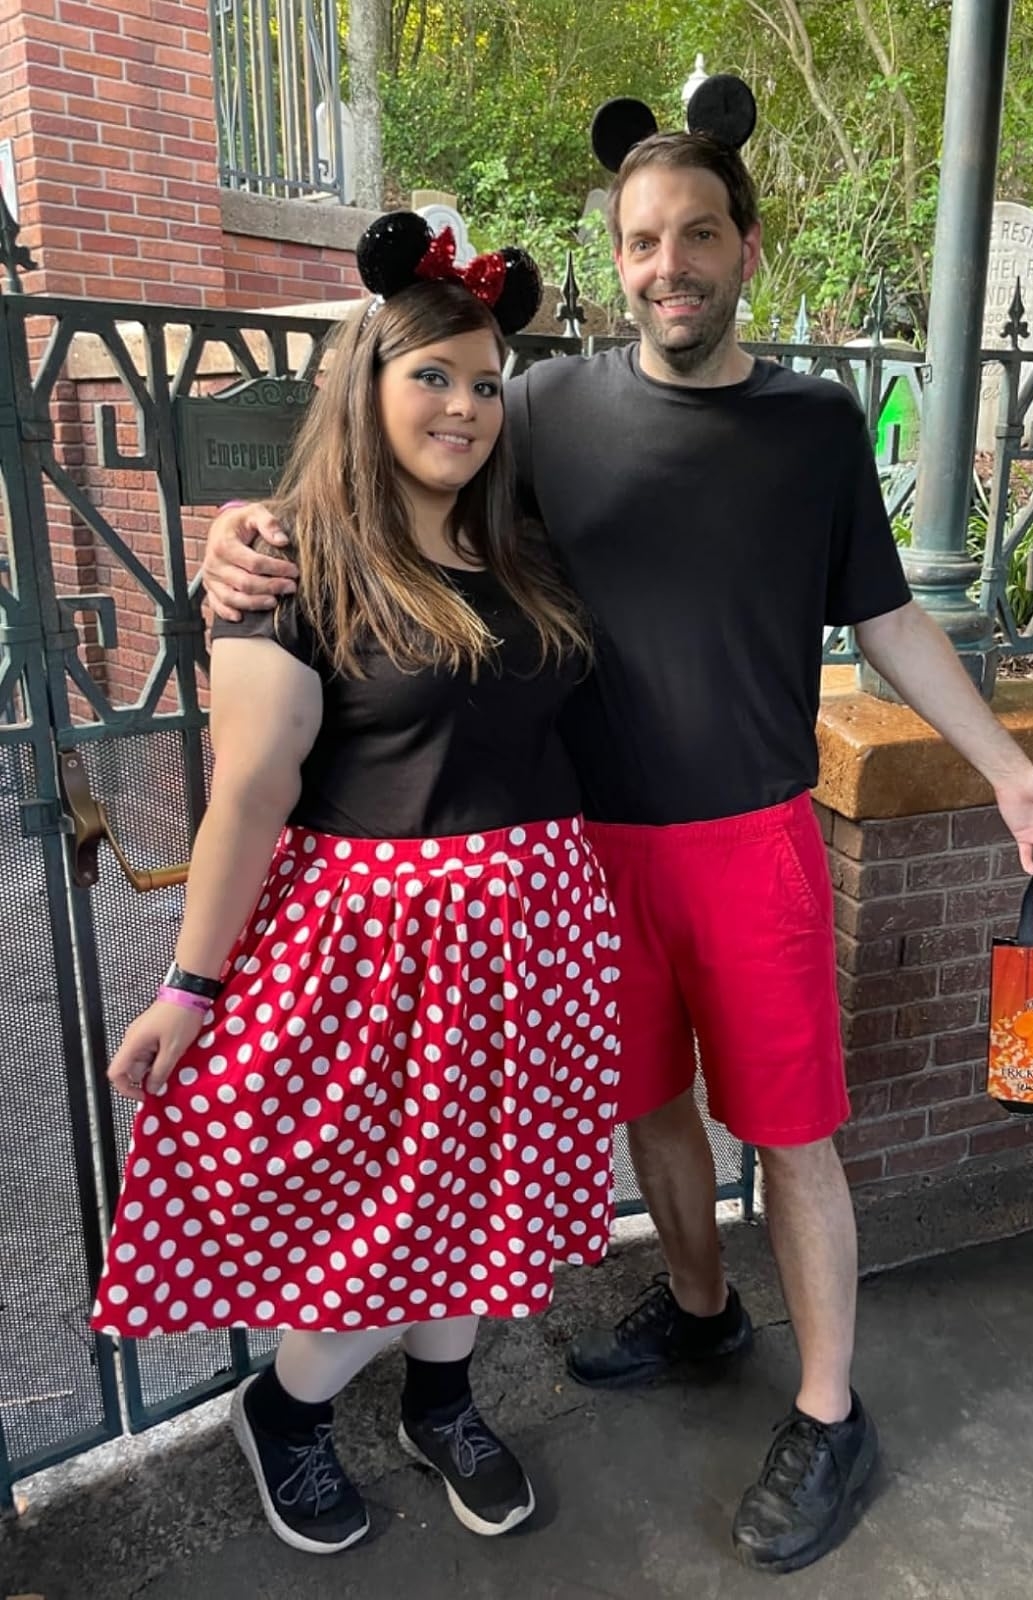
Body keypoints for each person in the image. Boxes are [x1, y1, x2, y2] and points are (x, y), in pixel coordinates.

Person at [200, 81, 1033, 1577]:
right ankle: (699, 1310)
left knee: (797, 1139)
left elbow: (888, 618)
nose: (667, 263)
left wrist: (1007, 766)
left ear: (747, 247)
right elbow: (386, 469)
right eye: (640, 240)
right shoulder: (539, 407)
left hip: (750, 837)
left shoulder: (814, 428)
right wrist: (239, 544)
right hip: (577, 855)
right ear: (616, 256)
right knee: (650, 1110)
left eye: (697, 233)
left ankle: (829, 1414)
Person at [92, 213, 621, 1558]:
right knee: (374, 1219)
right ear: (366, 385)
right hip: (378, 960)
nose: (463, 405)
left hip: (532, 940)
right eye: (430, 375)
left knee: (487, 1196)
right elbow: (254, 787)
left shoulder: (518, 549)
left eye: (485, 381)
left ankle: (441, 1401)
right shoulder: (292, 566)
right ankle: (288, 1408)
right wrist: (192, 984)